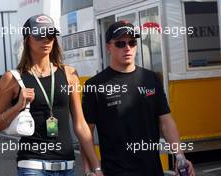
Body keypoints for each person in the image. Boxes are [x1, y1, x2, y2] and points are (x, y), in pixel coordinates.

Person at [0, 14, 103, 176]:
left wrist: (96, 167)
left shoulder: (69, 74)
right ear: (27, 39)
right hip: (32, 166)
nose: (46, 40)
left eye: (51, 35)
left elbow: (81, 125)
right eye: (40, 35)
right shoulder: (12, 78)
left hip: (66, 165)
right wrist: (18, 107)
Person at [81, 21, 195, 176]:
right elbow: (86, 132)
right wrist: (90, 170)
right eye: (120, 44)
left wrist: (180, 157)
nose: (127, 48)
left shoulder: (151, 78)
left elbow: (166, 121)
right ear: (108, 47)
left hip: (152, 170)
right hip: (115, 171)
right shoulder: (95, 85)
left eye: (132, 42)